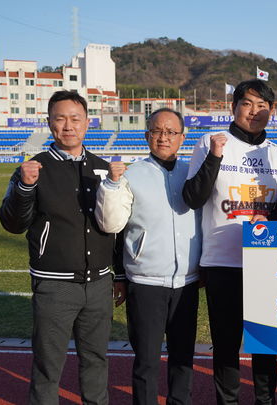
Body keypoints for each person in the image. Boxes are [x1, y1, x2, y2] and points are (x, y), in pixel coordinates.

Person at [0, 90, 122, 405]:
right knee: (47, 367)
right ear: (50, 123)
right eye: (60, 118)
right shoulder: (33, 168)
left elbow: (117, 226)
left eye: (75, 118)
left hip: (98, 285)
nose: (68, 125)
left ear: (87, 123)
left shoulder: (102, 167)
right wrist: (25, 187)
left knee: (97, 362)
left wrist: (118, 275)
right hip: (54, 286)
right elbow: (13, 223)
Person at [182, 79, 277, 405]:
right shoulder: (211, 142)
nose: (254, 112)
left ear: (272, 112)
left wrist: (271, 221)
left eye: (263, 106)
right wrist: (215, 157)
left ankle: (265, 400)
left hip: (266, 264)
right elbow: (193, 196)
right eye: (247, 103)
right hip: (222, 263)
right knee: (226, 346)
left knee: (265, 347)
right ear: (234, 107)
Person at [94, 108, 202, 405]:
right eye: (157, 131)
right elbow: (113, 228)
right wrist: (119, 274)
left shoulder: (194, 173)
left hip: (187, 283)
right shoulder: (132, 174)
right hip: (145, 282)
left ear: (183, 137)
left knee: (183, 359)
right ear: (146, 136)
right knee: (146, 361)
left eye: (171, 132)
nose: (163, 137)